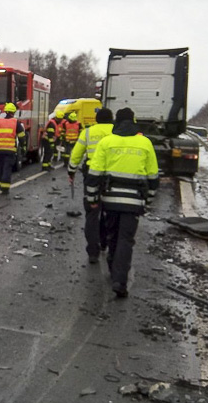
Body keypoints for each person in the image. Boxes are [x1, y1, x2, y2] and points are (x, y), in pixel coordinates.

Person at [84, 107, 158, 298]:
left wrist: (92, 199)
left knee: (112, 235)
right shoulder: (145, 143)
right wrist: (148, 202)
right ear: (133, 121)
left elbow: (94, 175)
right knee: (126, 239)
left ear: (116, 122)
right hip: (133, 202)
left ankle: (112, 265)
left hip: (110, 201)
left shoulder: (106, 142)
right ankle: (120, 280)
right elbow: (153, 177)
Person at [67, 108, 114, 263]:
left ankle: (92, 252)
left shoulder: (88, 132)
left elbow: (76, 153)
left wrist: (71, 171)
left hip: (92, 177)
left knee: (92, 213)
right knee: (109, 211)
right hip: (113, 177)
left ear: (97, 119)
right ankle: (105, 242)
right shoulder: (117, 131)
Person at [0, 102, 25, 193]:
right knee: (7, 168)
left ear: (5, 111)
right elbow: (22, 137)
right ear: (13, 112)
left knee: (0, 167)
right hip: (10, 150)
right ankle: (5, 188)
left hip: (0, 150)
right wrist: (23, 147)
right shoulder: (16, 123)